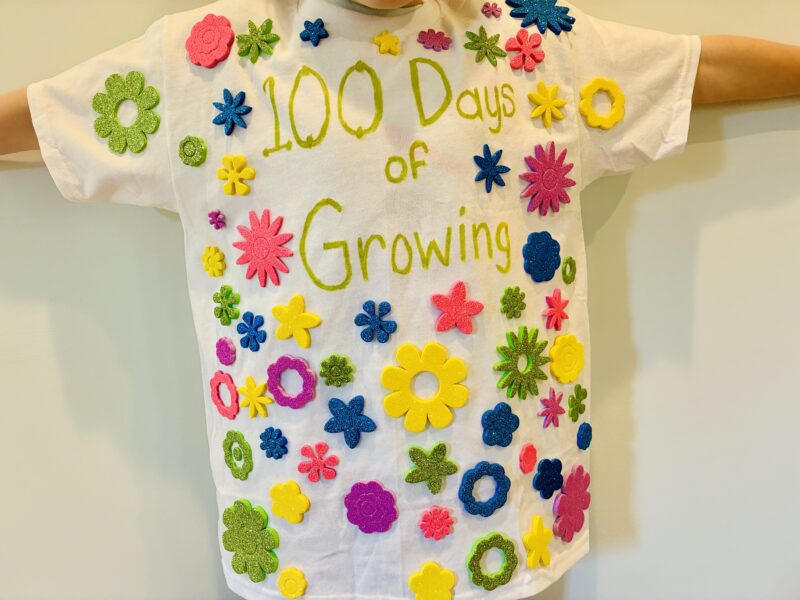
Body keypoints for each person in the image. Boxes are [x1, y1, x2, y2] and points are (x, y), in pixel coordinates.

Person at [0, 0, 798, 599]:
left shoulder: (528, 47)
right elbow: (45, 115)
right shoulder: (206, 69)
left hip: (490, 511)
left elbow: (700, 69)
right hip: (309, 516)